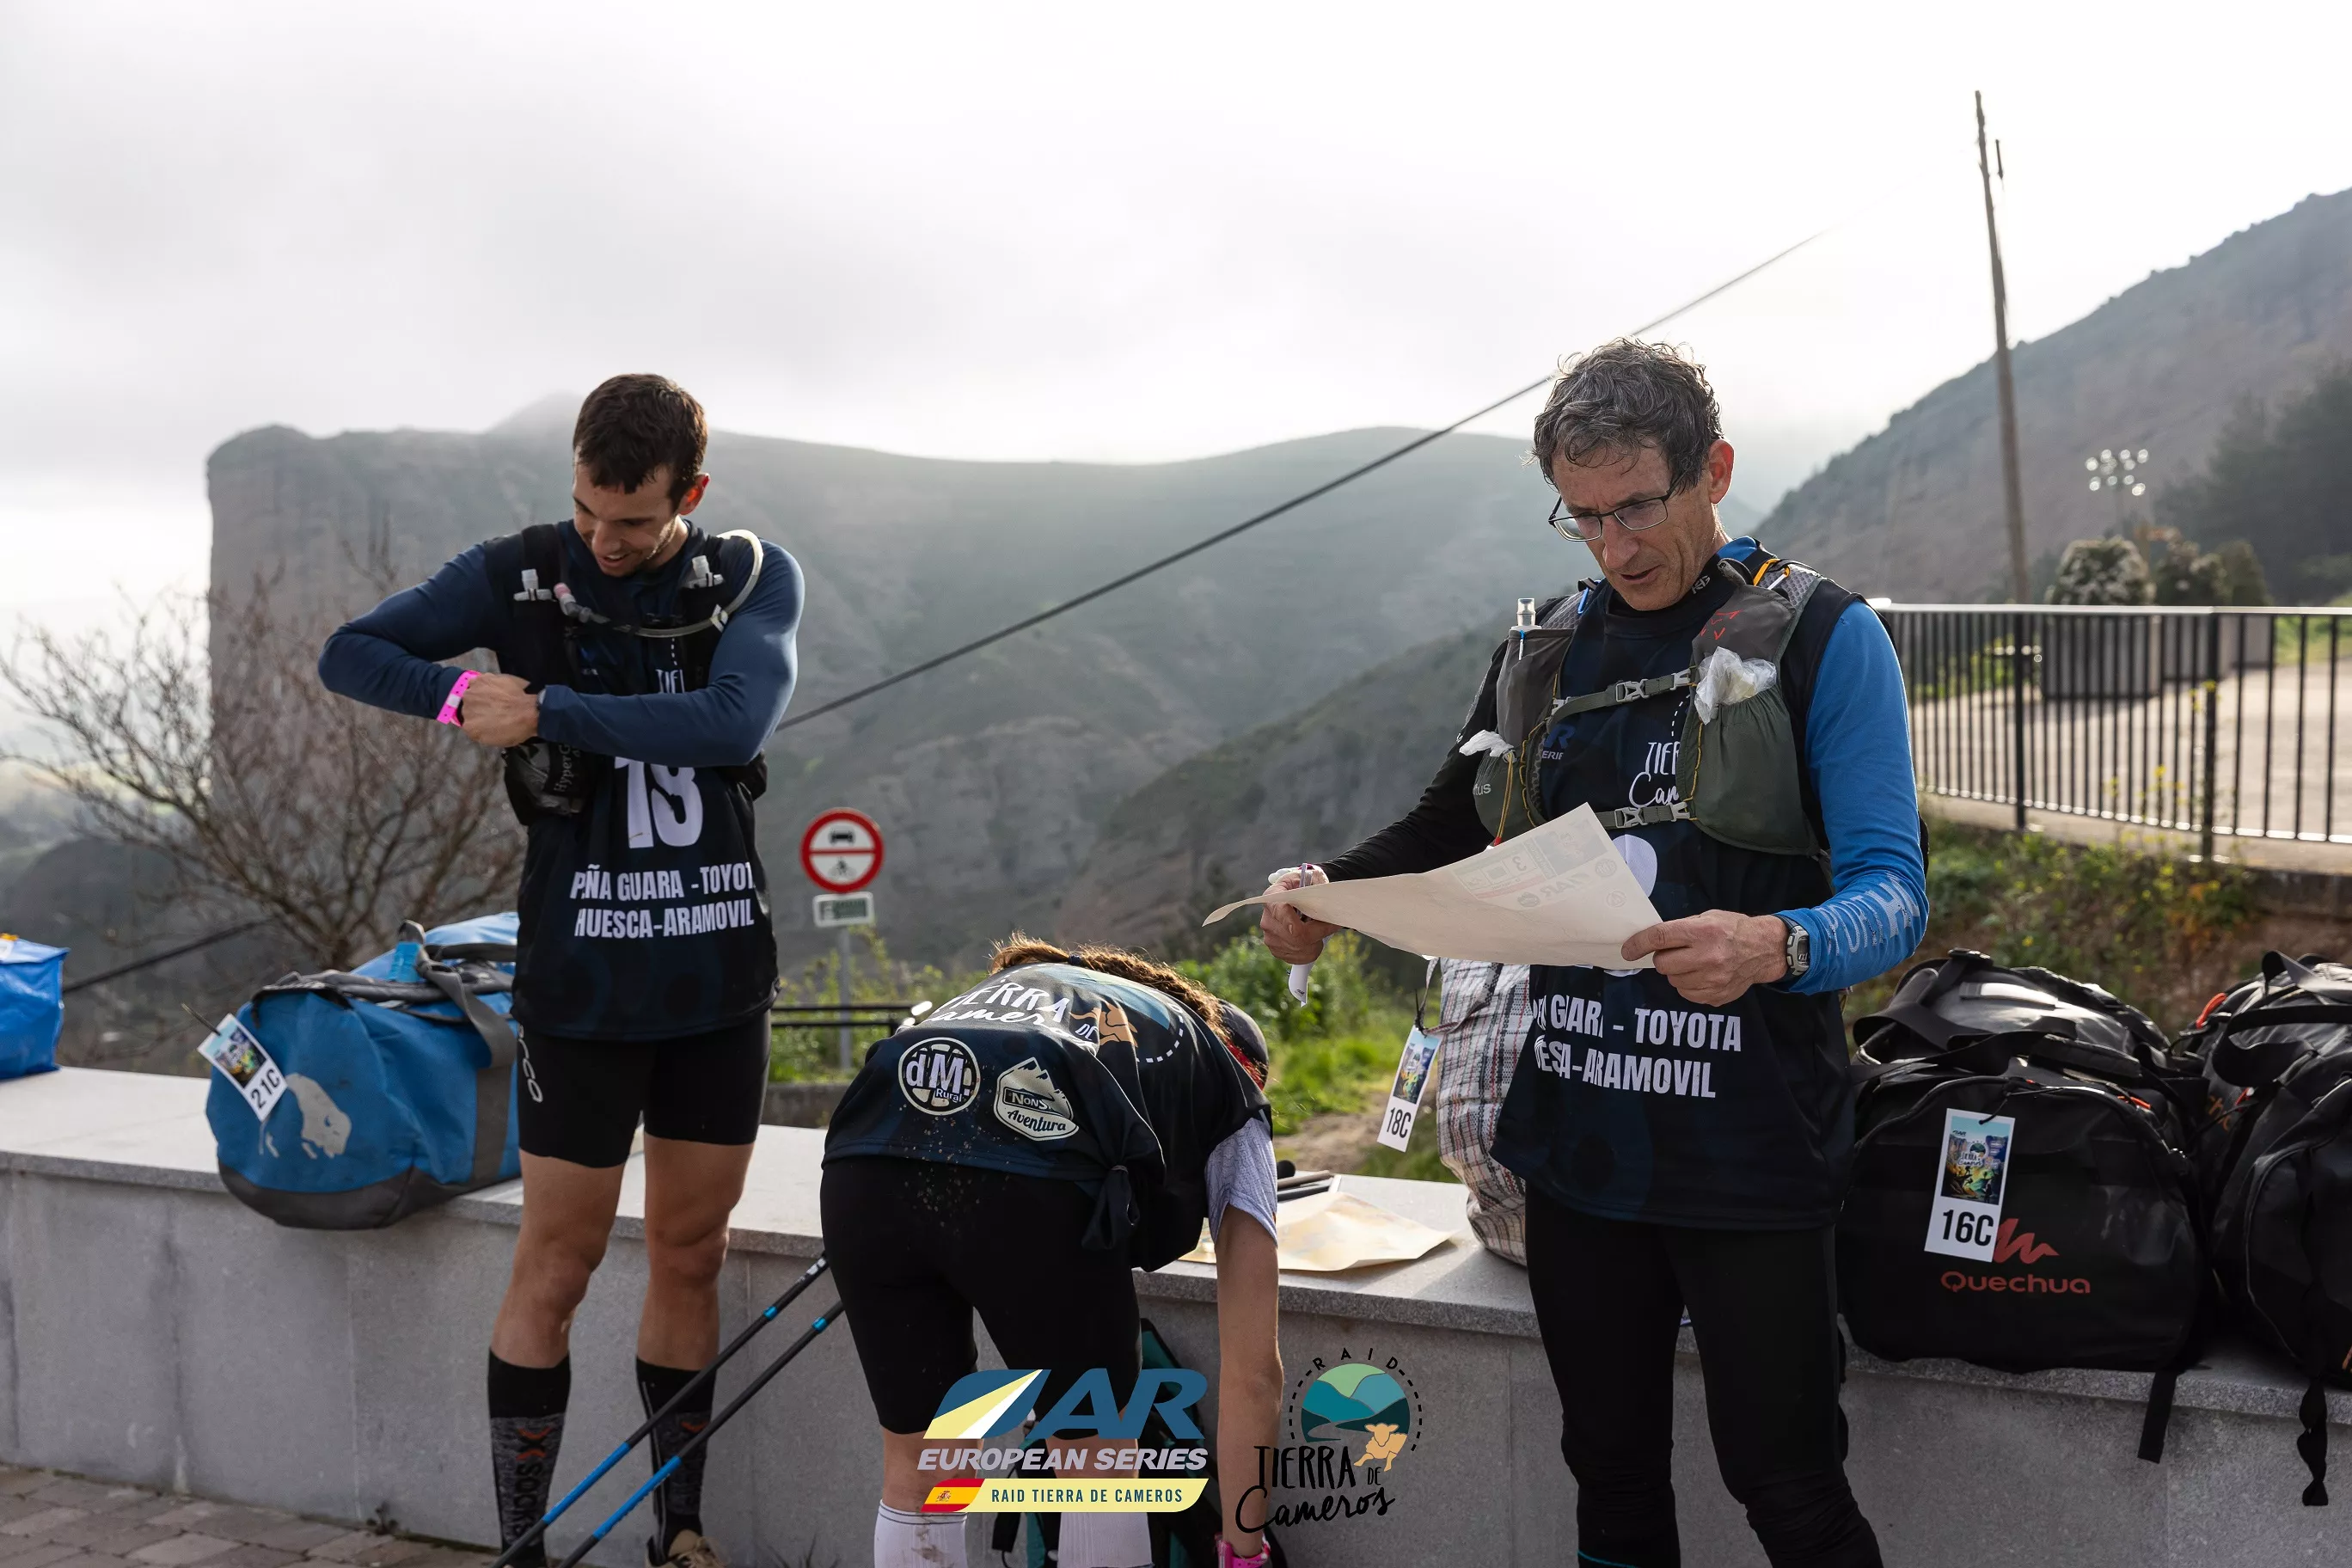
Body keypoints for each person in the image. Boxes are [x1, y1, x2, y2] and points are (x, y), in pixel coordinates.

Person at [1259, 340, 1926, 1568]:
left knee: (1786, 1485)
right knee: (1607, 1478)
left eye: (1639, 507)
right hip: (1577, 1157)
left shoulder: (1825, 636)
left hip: (1755, 1160)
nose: (1616, 547)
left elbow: (1895, 897)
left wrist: (1778, 943)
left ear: (1712, 470)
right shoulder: (1547, 651)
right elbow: (1447, 824)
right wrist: (1326, 889)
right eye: (1584, 516)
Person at [318, 374, 805, 1568]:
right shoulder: (519, 570)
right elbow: (349, 654)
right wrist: (452, 698)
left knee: (692, 1254)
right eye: (589, 509)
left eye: (633, 521)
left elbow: (732, 725)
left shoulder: (750, 575)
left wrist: (548, 713)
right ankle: (522, 1546)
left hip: (713, 985)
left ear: (689, 494)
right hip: (580, 988)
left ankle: (676, 1530)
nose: (604, 540)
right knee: (559, 1259)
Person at [821, 937, 1283, 1568]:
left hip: (864, 1154)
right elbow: (1255, 1374)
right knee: (1096, 1459)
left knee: (926, 1459)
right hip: (1028, 1175)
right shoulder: (1233, 1092)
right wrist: (1244, 1554)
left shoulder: (1060, 996)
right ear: (1250, 1067)